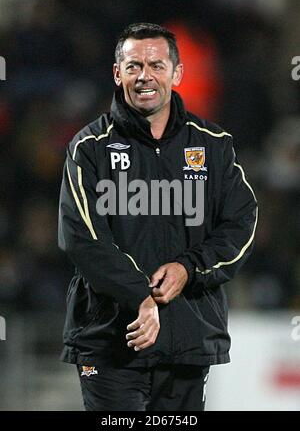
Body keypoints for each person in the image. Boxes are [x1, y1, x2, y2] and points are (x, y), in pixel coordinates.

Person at [58, 22, 258, 411]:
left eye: (156, 65)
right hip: (110, 339)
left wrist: (188, 269)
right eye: (133, 66)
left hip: (188, 338)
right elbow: (82, 239)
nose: (144, 76)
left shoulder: (213, 146)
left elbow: (241, 226)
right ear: (117, 74)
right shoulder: (89, 148)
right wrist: (140, 296)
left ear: (177, 73)